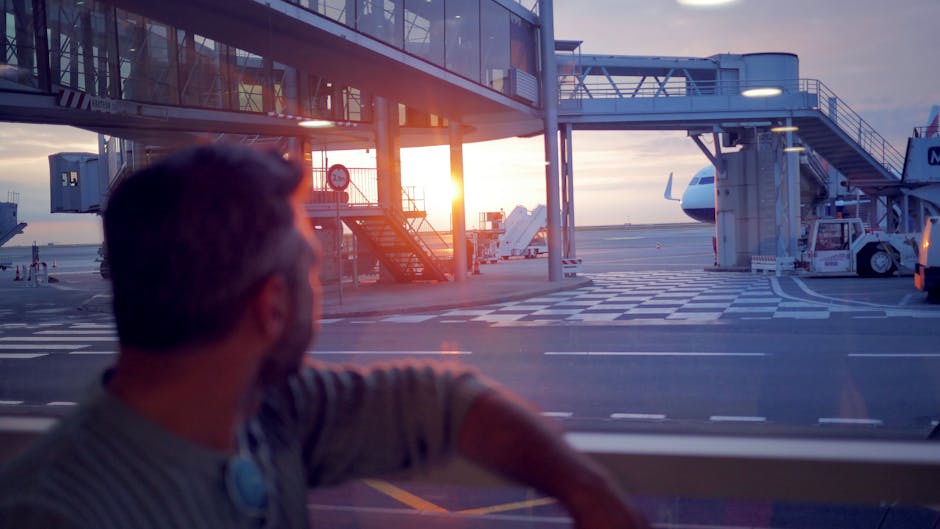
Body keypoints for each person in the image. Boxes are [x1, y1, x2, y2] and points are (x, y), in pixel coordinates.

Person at [0, 145, 648, 529]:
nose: (319, 281)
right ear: (272, 306)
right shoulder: (56, 512)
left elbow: (442, 400)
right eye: (312, 265)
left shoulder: (266, 412)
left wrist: (585, 489)